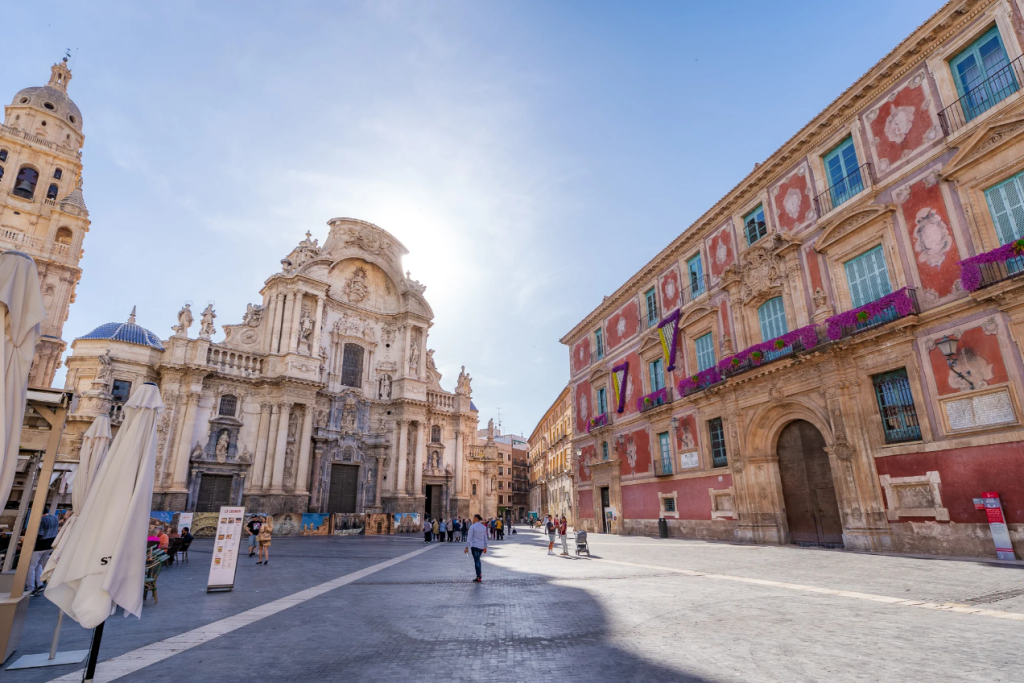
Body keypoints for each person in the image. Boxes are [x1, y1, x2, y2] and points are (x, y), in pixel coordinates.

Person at [26, 508, 59, 595]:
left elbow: (40, 534)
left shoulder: (41, 520)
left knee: (31, 567)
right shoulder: (55, 518)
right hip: (50, 545)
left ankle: (30, 588)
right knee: (39, 564)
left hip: (39, 546)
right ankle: (40, 584)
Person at [463, 514, 488, 583]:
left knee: (477, 560)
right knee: (478, 560)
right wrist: (485, 546)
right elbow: (485, 537)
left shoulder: (472, 527)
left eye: (473, 518)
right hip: (481, 547)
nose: (473, 519)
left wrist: (466, 546)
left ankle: (478, 576)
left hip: (474, 546)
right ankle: (479, 575)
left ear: (476, 518)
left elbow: (469, 537)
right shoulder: (483, 527)